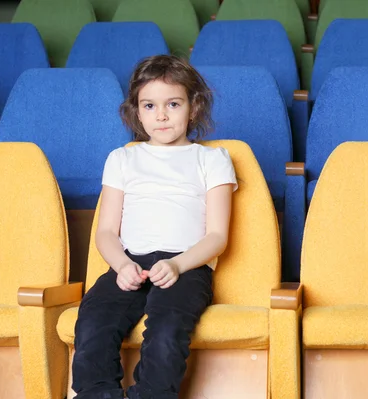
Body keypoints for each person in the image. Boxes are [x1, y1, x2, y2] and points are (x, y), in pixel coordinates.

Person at [71, 55, 237, 399]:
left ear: (194, 107)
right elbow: (105, 232)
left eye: (173, 104)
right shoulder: (122, 158)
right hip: (129, 263)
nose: (161, 115)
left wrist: (177, 264)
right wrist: (120, 265)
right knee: (93, 324)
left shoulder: (212, 159)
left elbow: (218, 236)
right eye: (149, 105)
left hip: (185, 266)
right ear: (137, 110)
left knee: (166, 331)